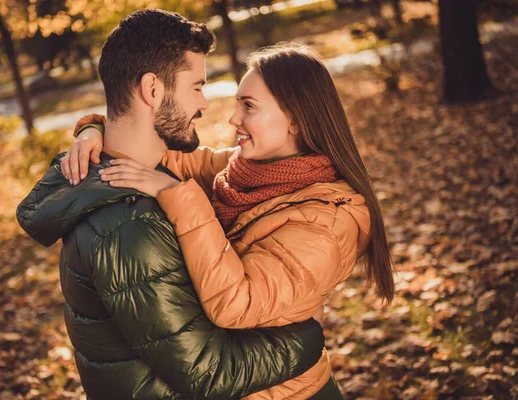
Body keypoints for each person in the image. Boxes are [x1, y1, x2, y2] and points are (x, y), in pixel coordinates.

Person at [16, 10, 326, 400]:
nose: (205, 104)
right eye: (196, 86)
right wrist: (309, 332)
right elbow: (208, 373)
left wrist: (93, 127)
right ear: (152, 89)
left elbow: (260, 167)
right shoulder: (128, 224)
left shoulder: (143, 175)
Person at [65, 42, 396, 399]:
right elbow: (156, 158)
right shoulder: (242, 169)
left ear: (296, 119)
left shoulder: (328, 221)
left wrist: (180, 196)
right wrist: (94, 130)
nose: (233, 118)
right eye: (238, 103)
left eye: (249, 106)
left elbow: (236, 305)